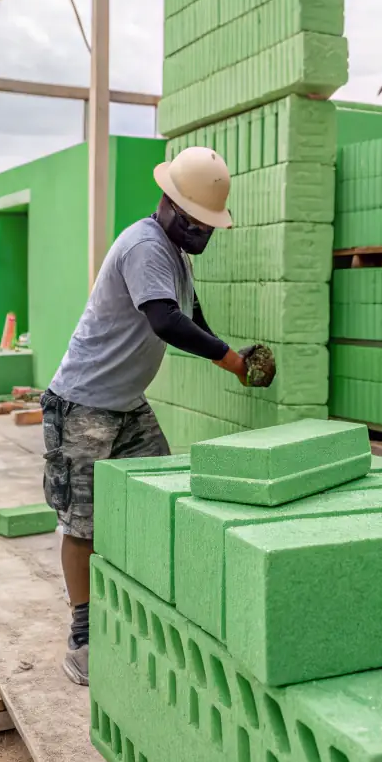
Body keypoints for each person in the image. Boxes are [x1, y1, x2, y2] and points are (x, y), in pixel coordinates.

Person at [42, 147, 256, 690]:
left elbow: (190, 315)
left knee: (159, 493)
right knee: (83, 523)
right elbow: (164, 321)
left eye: (209, 226)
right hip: (84, 403)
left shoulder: (175, 253)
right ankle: (84, 637)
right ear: (168, 204)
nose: (202, 234)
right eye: (196, 222)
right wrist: (229, 359)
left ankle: (141, 604)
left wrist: (236, 357)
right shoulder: (144, 244)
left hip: (127, 402)